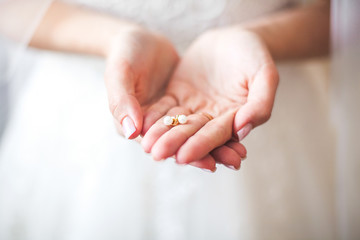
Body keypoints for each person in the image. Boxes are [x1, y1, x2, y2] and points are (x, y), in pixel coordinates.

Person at [0, 0, 336, 239]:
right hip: (79, 112)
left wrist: (263, 38)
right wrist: (114, 39)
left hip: (253, 89)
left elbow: (342, 14)